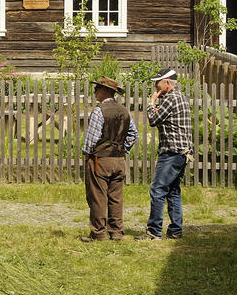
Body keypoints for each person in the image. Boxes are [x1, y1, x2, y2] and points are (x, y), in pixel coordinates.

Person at [136, 67, 193, 241]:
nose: (155, 87)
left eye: (157, 83)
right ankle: (175, 230)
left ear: (167, 83)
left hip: (171, 153)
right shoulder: (180, 97)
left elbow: (153, 120)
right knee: (173, 190)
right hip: (182, 152)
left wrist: (152, 102)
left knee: (158, 189)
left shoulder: (170, 99)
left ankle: (153, 232)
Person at [80, 75, 138, 242]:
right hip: (119, 160)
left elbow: (92, 139)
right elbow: (133, 135)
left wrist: (88, 153)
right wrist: (122, 148)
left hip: (101, 160)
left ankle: (98, 233)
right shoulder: (124, 111)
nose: (95, 91)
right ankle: (117, 232)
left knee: (98, 196)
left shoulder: (99, 111)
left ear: (106, 91)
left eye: (97, 88)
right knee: (116, 197)